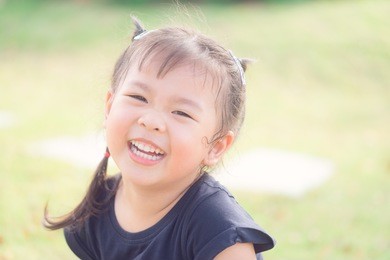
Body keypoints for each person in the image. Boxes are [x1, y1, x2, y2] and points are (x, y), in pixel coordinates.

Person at [44, 17, 275, 259]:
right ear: (109, 107)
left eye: (181, 112)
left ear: (216, 147)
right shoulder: (97, 209)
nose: (151, 121)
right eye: (138, 97)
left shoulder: (218, 231)